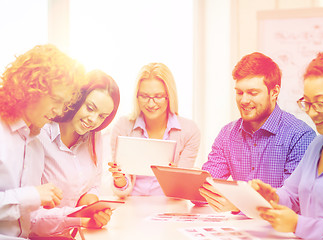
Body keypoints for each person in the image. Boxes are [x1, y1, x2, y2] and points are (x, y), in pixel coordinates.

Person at [249, 52, 323, 239]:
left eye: (320, 103)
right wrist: (273, 197)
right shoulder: (318, 144)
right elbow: (292, 194)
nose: (312, 113)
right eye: (307, 103)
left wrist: (298, 225)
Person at [199, 52, 316, 210]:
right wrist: (190, 184)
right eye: (239, 92)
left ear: (274, 92)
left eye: (253, 93)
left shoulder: (300, 135)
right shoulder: (227, 134)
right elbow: (206, 189)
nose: (244, 100)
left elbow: (295, 200)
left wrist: (239, 205)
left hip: (280, 231)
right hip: (239, 229)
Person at [0, 44, 85, 239]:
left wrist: (77, 217)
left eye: (65, 104)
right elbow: (28, 199)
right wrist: (32, 196)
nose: (60, 111)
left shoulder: (36, 143)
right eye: (56, 100)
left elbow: (28, 219)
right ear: (31, 89)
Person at [30, 70, 120, 238]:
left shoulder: (94, 136)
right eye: (90, 108)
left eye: (102, 116)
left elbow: (93, 184)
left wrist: (91, 205)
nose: (93, 120)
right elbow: (29, 217)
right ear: (77, 98)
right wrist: (79, 217)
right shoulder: (40, 135)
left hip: (70, 235)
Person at [108, 62, 200, 197]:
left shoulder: (189, 131)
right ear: (137, 96)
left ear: (169, 96)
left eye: (158, 96)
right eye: (144, 96)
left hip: (171, 207)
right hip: (132, 205)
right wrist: (120, 180)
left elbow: (181, 192)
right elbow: (122, 189)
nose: (151, 104)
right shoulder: (122, 126)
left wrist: (176, 179)